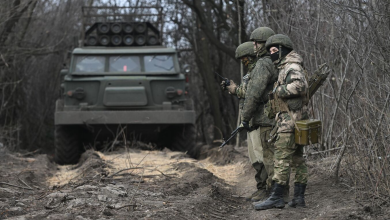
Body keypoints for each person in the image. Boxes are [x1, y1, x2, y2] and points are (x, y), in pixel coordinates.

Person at [253, 34, 309, 210]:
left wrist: (279, 90)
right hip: (294, 120)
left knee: (281, 157)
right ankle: (299, 198)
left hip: (290, 121)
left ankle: (277, 197)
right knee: (298, 159)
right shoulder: (286, 66)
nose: (271, 53)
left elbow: (300, 86)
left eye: (274, 50)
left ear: (283, 50)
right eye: (269, 50)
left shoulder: (291, 66)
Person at [221, 41, 269, 202]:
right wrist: (232, 87)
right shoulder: (251, 73)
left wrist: (235, 89)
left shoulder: (259, 70)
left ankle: (267, 189)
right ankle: (262, 188)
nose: (244, 61)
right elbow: (245, 92)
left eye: (245, 58)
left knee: (261, 155)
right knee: (254, 156)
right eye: (242, 59)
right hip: (251, 120)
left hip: (259, 119)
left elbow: (251, 94)